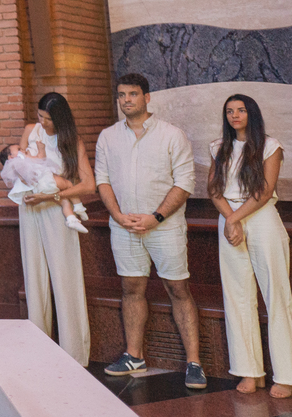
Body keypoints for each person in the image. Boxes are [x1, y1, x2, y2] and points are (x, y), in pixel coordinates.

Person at [96, 73, 206, 388]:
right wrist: (117, 215)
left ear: (147, 97)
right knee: (131, 288)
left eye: (132, 94)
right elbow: (102, 178)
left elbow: (185, 183)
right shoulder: (108, 137)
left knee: (178, 290)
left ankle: (194, 363)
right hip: (124, 227)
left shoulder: (172, 135)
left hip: (164, 227)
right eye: (121, 95)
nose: (126, 100)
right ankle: (134, 356)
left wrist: (155, 218)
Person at [209, 94, 292, 398]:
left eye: (241, 110)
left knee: (276, 296)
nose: (235, 115)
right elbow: (214, 189)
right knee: (237, 296)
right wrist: (230, 220)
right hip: (229, 219)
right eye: (230, 111)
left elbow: (264, 189)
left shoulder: (269, 145)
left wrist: (235, 219)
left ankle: (286, 375)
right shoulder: (219, 148)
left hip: (260, 219)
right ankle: (250, 372)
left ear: (252, 114)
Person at [13, 91, 96, 366]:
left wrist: (49, 195)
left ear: (60, 118)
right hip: (30, 208)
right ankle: (38, 350)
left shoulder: (72, 141)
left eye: (48, 118)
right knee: (34, 278)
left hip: (55, 208)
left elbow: (88, 185)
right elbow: (20, 164)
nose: (42, 122)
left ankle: (74, 353)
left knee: (65, 277)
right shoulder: (30, 130)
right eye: (40, 116)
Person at [0, 136, 88, 234]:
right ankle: (79, 207)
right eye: (19, 149)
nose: (23, 150)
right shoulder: (21, 160)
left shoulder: (15, 167)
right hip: (45, 181)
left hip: (39, 189)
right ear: (11, 157)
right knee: (68, 184)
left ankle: (71, 219)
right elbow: (41, 159)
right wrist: (41, 149)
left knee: (64, 201)